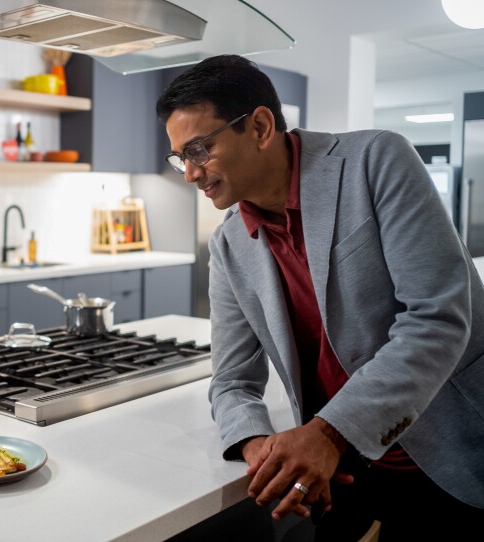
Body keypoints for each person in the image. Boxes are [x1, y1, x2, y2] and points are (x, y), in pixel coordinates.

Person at [156, 54, 484, 539]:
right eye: (181, 156)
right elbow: (231, 381)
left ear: (261, 126)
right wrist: (260, 447)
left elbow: (436, 319)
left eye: (200, 149)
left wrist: (327, 434)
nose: (190, 172)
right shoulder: (228, 244)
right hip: (337, 470)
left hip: (444, 453)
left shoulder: (376, 161)